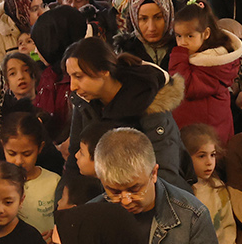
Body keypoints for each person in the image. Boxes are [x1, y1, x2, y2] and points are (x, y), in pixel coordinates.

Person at [92, 127, 220, 244]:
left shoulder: (192, 216)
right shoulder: (90, 217)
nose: (126, 200)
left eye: (134, 189)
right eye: (114, 191)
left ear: (153, 173)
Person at [64, 35, 186, 186]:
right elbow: (73, 159)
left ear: (104, 71)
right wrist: (66, 195)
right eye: (70, 77)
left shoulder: (149, 102)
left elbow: (165, 173)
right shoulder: (85, 101)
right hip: (104, 190)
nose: (73, 86)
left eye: (79, 76)